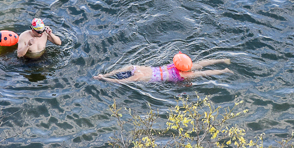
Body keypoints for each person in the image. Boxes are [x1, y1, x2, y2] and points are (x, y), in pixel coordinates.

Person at [95, 55, 231, 84]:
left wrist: (104, 77)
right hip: (172, 68)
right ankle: (222, 60)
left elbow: (119, 80)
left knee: (201, 73)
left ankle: (224, 70)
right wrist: (105, 75)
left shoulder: (136, 73)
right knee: (199, 65)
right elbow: (118, 74)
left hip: (176, 76)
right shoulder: (136, 68)